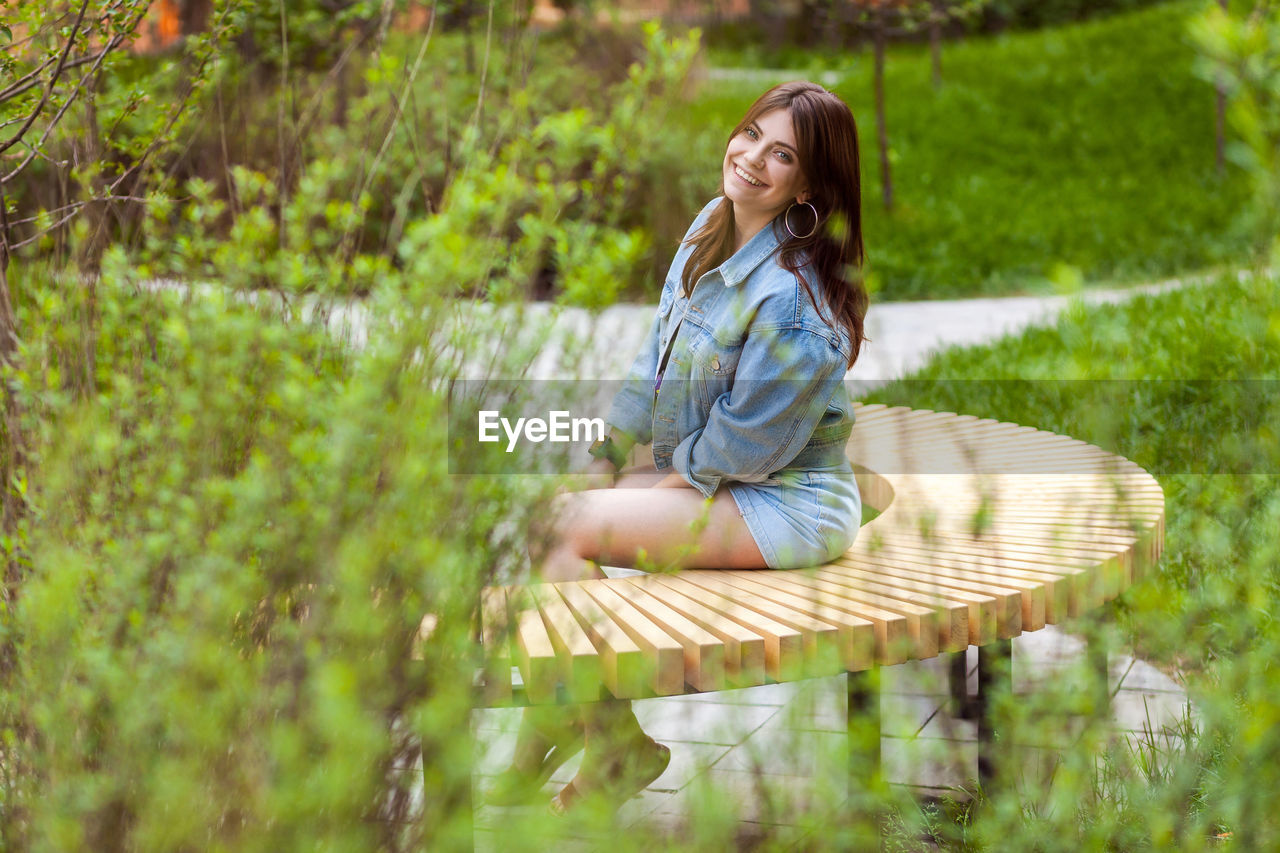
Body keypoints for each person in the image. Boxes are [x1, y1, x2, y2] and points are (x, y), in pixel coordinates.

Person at [489, 80, 869, 816]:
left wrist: (655, 490)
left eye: (781, 154)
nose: (752, 158)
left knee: (562, 526)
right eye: (752, 134)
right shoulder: (710, 226)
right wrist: (606, 452)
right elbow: (651, 360)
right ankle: (585, 732)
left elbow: (745, 445)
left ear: (811, 186)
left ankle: (599, 737)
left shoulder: (792, 300)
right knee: (550, 521)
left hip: (784, 501)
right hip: (726, 474)